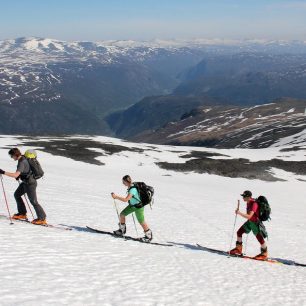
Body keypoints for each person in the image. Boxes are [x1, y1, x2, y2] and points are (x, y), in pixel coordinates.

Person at [0, 148, 47, 225]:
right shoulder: (23, 158)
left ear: (15, 155)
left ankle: (42, 219)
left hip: (30, 184)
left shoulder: (22, 161)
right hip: (26, 182)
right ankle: (22, 214)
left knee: (33, 201)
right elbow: (25, 170)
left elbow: (15, 174)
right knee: (17, 195)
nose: (11, 158)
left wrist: (3, 172)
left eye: (11, 156)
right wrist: (20, 176)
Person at [111, 175, 153, 241]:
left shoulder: (133, 189)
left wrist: (116, 197)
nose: (123, 183)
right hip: (133, 206)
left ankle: (149, 236)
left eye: (123, 182)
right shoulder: (132, 186)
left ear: (126, 181)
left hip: (138, 207)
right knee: (122, 214)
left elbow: (125, 199)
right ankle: (122, 230)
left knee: (141, 221)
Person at [229, 190, 268, 260]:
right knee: (239, 232)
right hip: (250, 222)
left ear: (248, 197)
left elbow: (249, 216)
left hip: (255, 223)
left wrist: (239, 213)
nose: (243, 197)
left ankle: (264, 254)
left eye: (244, 196)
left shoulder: (254, 204)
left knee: (259, 238)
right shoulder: (248, 202)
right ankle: (238, 249)